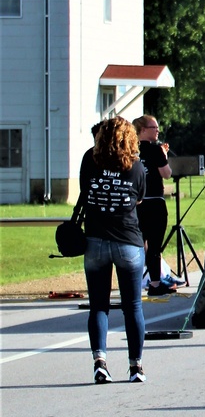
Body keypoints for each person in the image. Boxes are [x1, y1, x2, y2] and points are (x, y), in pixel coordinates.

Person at [80, 116, 148, 384]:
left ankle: (100, 362)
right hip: (128, 239)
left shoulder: (89, 159)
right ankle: (136, 367)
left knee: (99, 305)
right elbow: (139, 198)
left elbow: (85, 191)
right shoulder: (136, 165)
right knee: (132, 307)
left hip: (95, 239)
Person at [132, 115, 174, 296]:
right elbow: (167, 174)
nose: (157, 131)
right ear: (142, 130)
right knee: (154, 245)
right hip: (155, 202)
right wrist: (163, 155)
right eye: (153, 127)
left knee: (138, 244)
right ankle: (155, 283)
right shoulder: (156, 150)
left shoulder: (130, 150)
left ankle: (134, 282)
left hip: (135, 203)